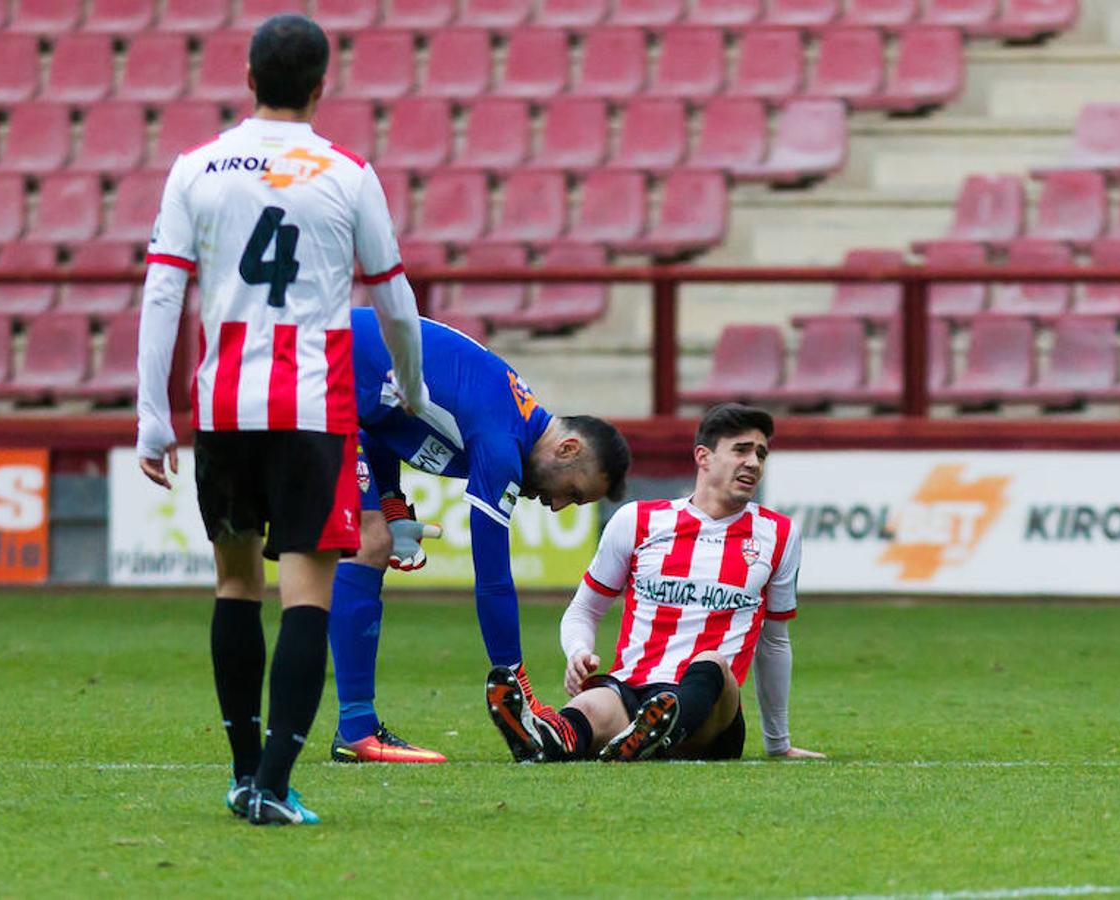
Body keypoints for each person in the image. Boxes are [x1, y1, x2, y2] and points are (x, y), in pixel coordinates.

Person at [135, 15, 428, 825]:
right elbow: (394, 300)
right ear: (321, 84)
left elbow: (163, 293)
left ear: (247, 75)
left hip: (224, 408)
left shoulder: (195, 167)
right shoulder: (345, 171)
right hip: (310, 408)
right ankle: (272, 782)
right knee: (307, 596)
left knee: (235, 585)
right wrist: (409, 386)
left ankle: (241, 773)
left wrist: (152, 416)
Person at [326, 308, 631, 763]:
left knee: (369, 540)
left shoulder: (510, 413)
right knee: (368, 545)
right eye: (572, 492)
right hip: (315, 372)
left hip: (325, 369)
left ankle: (352, 728)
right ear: (569, 449)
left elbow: (381, 414)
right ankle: (354, 730)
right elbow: (492, 577)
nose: (557, 506)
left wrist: (390, 499)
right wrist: (516, 681)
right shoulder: (501, 443)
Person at [485, 403, 824, 763]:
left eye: (761, 454)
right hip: (632, 690)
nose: (754, 463)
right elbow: (583, 610)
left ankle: (658, 732)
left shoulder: (779, 535)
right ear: (703, 457)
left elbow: (774, 643)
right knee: (588, 707)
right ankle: (544, 739)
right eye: (741, 450)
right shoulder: (638, 521)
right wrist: (579, 651)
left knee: (711, 662)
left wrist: (778, 742)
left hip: (712, 716)